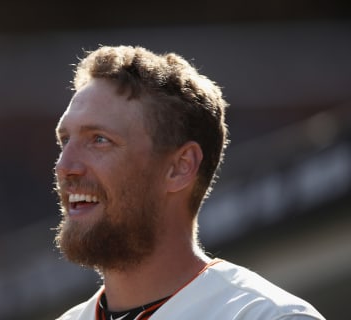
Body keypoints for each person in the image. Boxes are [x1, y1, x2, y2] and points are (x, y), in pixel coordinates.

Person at [53, 45, 324, 320]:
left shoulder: (265, 316)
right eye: (64, 141)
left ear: (180, 167)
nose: (64, 167)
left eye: (99, 140)